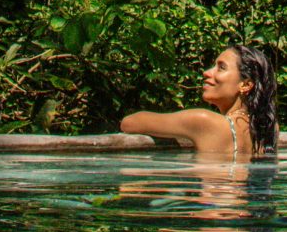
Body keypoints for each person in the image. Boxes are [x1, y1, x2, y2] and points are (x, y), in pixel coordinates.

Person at [119, 45, 278, 158]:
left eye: (221, 68)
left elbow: (129, 123)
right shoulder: (269, 128)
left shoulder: (205, 121)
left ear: (245, 85)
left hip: (214, 204)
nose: (207, 72)